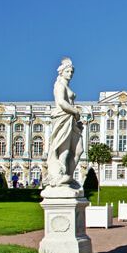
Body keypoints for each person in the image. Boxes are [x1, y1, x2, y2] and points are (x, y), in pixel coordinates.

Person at [46, 57, 84, 187]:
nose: (70, 74)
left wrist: (75, 115)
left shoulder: (66, 85)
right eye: (68, 71)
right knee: (64, 150)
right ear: (62, 72)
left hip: (71, 119)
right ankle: (61, 177)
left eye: (72, 72)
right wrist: (75, 111)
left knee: (79, 150)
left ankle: (69, 176)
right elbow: (61, 102)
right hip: (63, 117)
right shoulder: (59, 85)